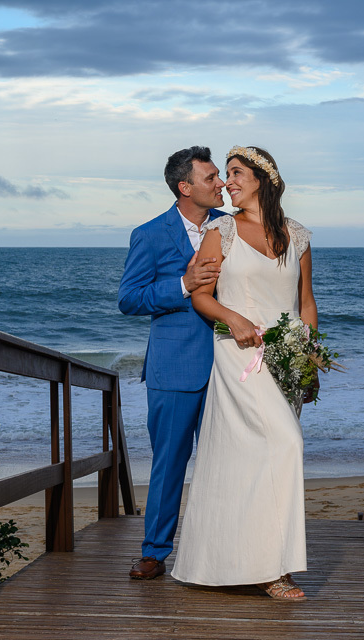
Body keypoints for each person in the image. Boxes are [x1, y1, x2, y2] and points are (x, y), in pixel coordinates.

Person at [170, 146, 316, 600]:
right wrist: (232, 319)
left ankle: (250, 560)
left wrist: (309, 358)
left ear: (263, 178)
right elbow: (201, 295)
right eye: (225, 174)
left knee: (258, 459)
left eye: (236, 173)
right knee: (287, 445)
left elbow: (306, 303)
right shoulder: (221, 231)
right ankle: (277, 570)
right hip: (239, 357)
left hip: (286, 360)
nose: (227, 182)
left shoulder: (299, 235)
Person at [118, 146, 227, 580]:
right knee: (169, 464)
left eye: (220, 176)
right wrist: (181, 284)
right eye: (211, 178)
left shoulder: (233, 227)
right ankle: (154, 552)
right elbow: (129, 299)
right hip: (174, 368)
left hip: (229, 367)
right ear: (185, 187)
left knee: (225, 463)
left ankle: (220, 549)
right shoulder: (150, 234)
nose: (221, 184)